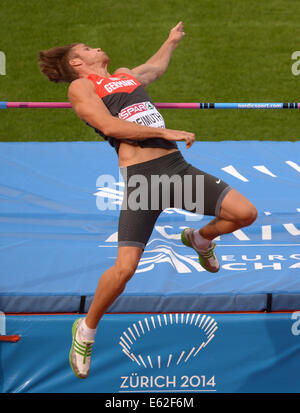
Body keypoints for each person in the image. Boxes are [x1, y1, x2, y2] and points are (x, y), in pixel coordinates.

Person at [39, 22, 257, 379]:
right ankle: (86, 330)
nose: (96, 49)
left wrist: (169, 42)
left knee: (245, 213)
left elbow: (151, 69)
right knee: (124, 269)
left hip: (175, 169)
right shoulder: (81, 87)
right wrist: (162, 130)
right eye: (88, 49)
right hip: (144, 182)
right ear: (77, 64)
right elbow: (109, 127)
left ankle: (200, 238)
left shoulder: (123, 75)